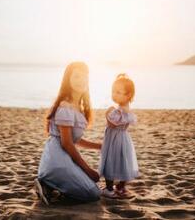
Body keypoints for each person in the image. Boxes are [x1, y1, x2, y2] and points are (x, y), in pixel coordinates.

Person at [35, 61, 102, 205]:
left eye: (85, 77)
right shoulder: (65, 106)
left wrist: (99, 146)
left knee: (93, 189)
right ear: (68, 80)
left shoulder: (78, 106)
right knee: (93, 193)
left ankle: (50, 186)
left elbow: (74, 139)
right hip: (57, 158)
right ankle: (47, 182)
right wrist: (87, 169)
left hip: (62, 155)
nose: (81, 80)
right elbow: (66, 143)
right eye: (77, 76)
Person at [98, 73, 139, 199]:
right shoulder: (125, 109)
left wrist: (107, 114)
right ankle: (121, 187)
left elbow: (113, 124)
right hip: (123, 138)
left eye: (118, 92)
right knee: (123, 161)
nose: (114, 94)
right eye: (113, 91)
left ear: (128, 95)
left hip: (114, 139)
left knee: (110, 160)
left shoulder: (120, 110)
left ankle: (109, 189)